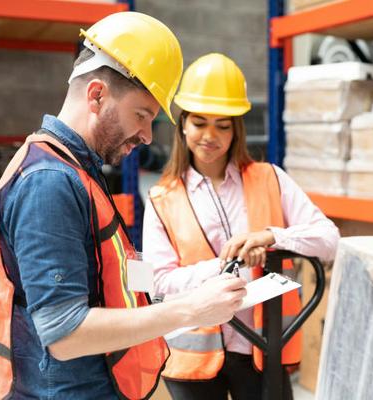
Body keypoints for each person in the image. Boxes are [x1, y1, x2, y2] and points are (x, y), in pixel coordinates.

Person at [0, 13, 247, 400]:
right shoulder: (49, 182)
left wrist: (190, 283)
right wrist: (192, 311)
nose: (148, 136)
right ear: (96, 95)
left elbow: (107, 268)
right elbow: (65, 333)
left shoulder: (75, 167)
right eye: (142, 115)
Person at [143, 53, 339, 400]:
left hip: (262, 348)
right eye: (200, 122)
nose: (210, 135)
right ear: (183, 124)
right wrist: (223, 266)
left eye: (223, 124)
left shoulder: (270, 178)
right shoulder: (162, 198)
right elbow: (159, 281)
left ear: (236, 129)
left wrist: (272, 237)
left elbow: (329, 240)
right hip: (194, 358)